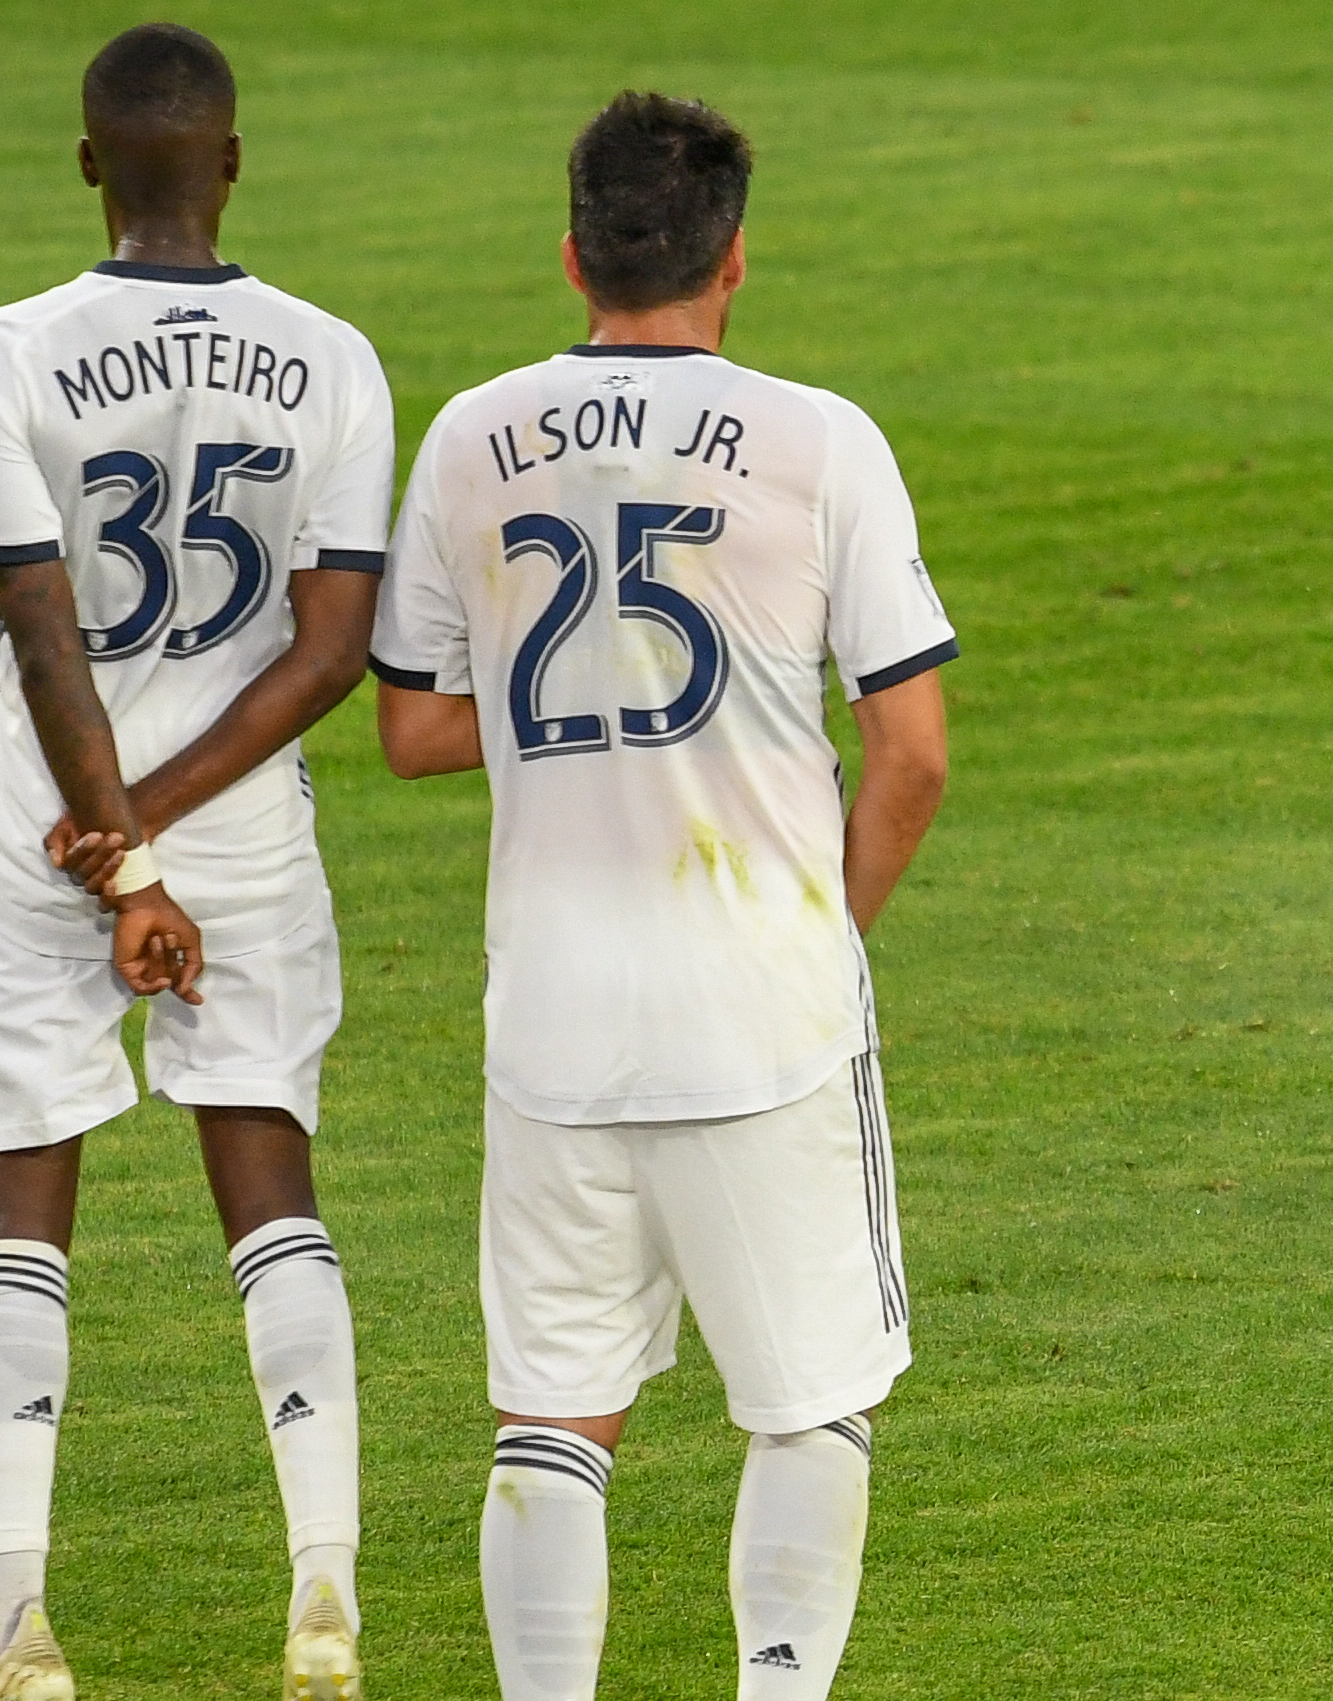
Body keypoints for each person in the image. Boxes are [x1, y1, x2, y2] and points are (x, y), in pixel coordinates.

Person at [368, 92, 955, 1701]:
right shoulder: (820, 442)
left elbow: (413, 727)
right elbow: (910, 752)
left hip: (552, 1015)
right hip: (759, 1001)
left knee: (552, 1421)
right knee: (810, 1403)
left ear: (573, 257)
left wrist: (594, 705)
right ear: (734, 258)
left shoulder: (469, 435)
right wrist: (819, 923)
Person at [0, 23, 392, 1699]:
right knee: (271, 1184)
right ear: (232, 161)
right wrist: (163, 829)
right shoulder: (335, 359)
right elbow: (330, 650)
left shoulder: (5, 349)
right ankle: (323, 1593)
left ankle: (16, 1628)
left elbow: (38, 618)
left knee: (20, 1197)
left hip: (43, 827)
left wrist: (118, 853)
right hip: (243, 821)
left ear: (88, 164)